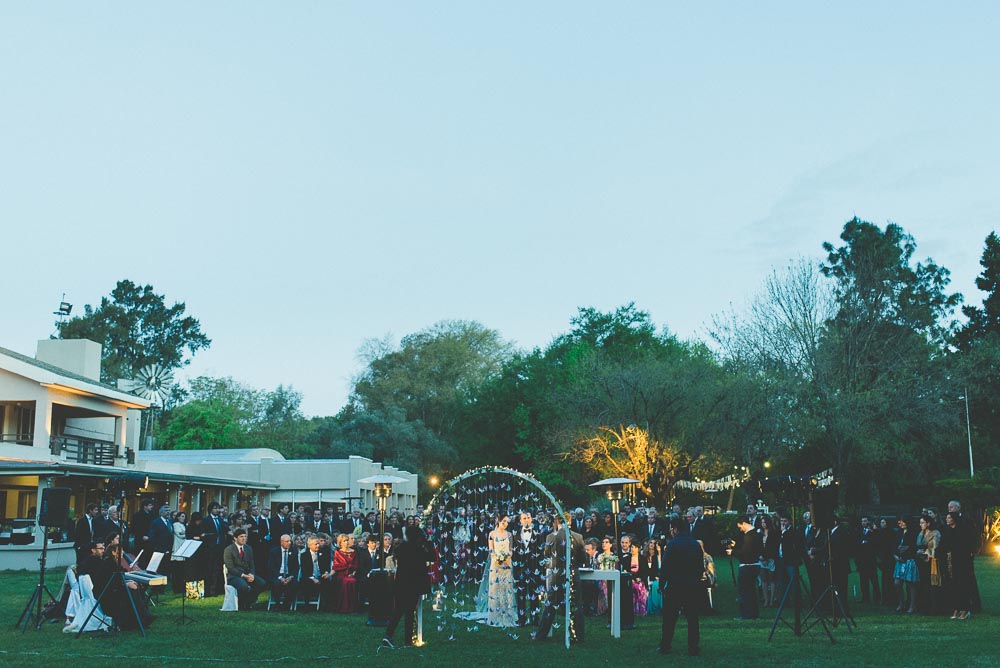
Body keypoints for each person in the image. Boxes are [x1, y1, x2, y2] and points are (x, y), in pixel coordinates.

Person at [533, 512, 585, 642]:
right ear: (570, 522)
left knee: (550, 605)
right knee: (576, 605)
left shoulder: (551, 537)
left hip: (557, 574)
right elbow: (582, 558)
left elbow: (546, 555)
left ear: (557, 522)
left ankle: (541, 634)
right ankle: (578, 635)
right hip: (573, 573)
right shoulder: (578, 537)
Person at [382, 525, 434, 648]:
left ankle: (388, 635)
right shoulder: (418, 549)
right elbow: (432, 557)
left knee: (398, 610)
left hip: (401, 583)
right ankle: (407, 641)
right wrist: (428, 545)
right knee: (409, 612)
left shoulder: (402, 548)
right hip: (413, 584)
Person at [658, 516, 703, 656]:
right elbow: (700, 566)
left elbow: (665, 566)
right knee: (692, 618)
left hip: (675, 585)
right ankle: (693, 646)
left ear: (675, 529)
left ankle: (666, 645)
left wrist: (661, 583)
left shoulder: (672, 544)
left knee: (669, 618)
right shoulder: (695, 544)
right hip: (691, 584)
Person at [513, 511, 544, 625]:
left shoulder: (539, 533)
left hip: (534, 568)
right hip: (520, 569)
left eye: (528, 518)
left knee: (534, 594)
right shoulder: (515, 534)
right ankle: (521, 619)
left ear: (531, 519)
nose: (526, 520)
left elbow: (541, 551)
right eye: (524, 518)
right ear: (520, 521)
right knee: (520, 594)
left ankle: (534, 618)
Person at [940, 511, 973, 620]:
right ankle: (956, 608)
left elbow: (966, 546)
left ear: (954, 519)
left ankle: (965, 609)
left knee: (962, 584)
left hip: (961, 561)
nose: (947, 519)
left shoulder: (962, 530)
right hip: (950, 561)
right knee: (953, 585)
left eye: (949, 518)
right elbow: (943, 544)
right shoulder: (947, 530)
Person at [223, 528, 266, 610]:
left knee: (262, 583)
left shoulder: (248, 548)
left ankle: (249, 601)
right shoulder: (228, 550)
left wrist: (251, 574)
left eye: (245, 536)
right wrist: (243, 576)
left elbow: (252, 564)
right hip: (234, 576)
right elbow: (231, 568)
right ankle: (242, 605)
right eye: (241, 536)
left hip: (247, 574)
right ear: (235, 538)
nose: (244, 538)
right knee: (243, 586)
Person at [486, 513, 517, 627]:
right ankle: (495, 614)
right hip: (495, 565)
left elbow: (511, 549)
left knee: (506, 588)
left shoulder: (509, 534)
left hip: (507, 564)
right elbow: (491, 550)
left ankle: (507, 614)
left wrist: (506, 558)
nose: (505, 524)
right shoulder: (492, 534)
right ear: (498, 521)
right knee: (496, 588)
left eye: (507, 522)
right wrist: (498, 559)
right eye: (504, 521)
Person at [735, 515, 762, 620]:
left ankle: (746, 613)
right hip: (755, 565)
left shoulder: (749, 535)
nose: (740, 529)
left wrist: (733, 552)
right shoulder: (756, 533)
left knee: (744, 590)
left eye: (740, 527)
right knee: (751, 591)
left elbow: (745, 553)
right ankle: (753, 613)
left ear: (744, 524)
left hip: (747, 566)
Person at [200, 503, 228, 597]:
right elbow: (203, 533)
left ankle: (216, 589)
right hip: (210, 549)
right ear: (210, 509)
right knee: (209, 569)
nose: (217, 510)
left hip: (219, 547)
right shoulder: (206, 520)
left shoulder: (220, 520)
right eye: (215, 508)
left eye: (218, 508)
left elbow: (225, 530)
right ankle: (208, 590)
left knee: (218, 569)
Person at [893, 516, 919, 614]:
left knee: (911, 584)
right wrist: (895, 555)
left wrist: (907, 551)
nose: (901, 523)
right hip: (899, 561)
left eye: (903, 521)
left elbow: (913, 546)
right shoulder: (899, 532)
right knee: (897, 583)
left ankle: (912, 606)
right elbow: (894, 545)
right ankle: (901, 603)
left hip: (909, 560)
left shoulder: (913, 533)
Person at [267, 533, 299, 609]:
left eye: (290, 541)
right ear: (281, 542)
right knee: (276, 583)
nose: (289, 543)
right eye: (287, 541)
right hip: (277, 574)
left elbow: (296, 567)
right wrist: (280, 577)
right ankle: (277, 604)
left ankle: (286, 604)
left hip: (289, 574)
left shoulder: (294, 551)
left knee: (294, 584)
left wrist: (291, 577)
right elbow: (271, 567)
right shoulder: (274, 551)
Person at [856, 517, 880, 604]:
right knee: (863, 580)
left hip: (870, 560)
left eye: (865, 521)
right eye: (862, 521)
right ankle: (865, 597)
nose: (863, 522)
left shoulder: (873, 532)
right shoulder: (859, 532)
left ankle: (877, 597)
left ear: (868, 522)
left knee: (874, 579)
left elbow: (876, 543)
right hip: (862, 561)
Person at [332, 533, 359, 613]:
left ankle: (352, 607)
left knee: (352, 581)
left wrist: (353, 573)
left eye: (347, 540)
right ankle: (343, 607)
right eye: (344, 541)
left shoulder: (354, 552)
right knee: (345, 581)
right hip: (341, 574)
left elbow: (356, 565)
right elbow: (336, 565)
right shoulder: (337, 552)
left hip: (351, 574)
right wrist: (329, 574)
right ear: (340, 543)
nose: (347, 542)